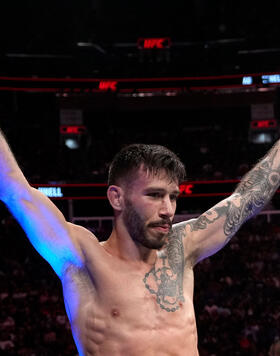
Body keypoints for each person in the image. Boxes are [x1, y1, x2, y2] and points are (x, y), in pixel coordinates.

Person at [0, 129, 280, 356]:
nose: (168, 209)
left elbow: (247, 197)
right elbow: (14, 190)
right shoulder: (83, 258)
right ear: (116, 198)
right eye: (155, 195)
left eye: (173, 197)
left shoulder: (182, 246)